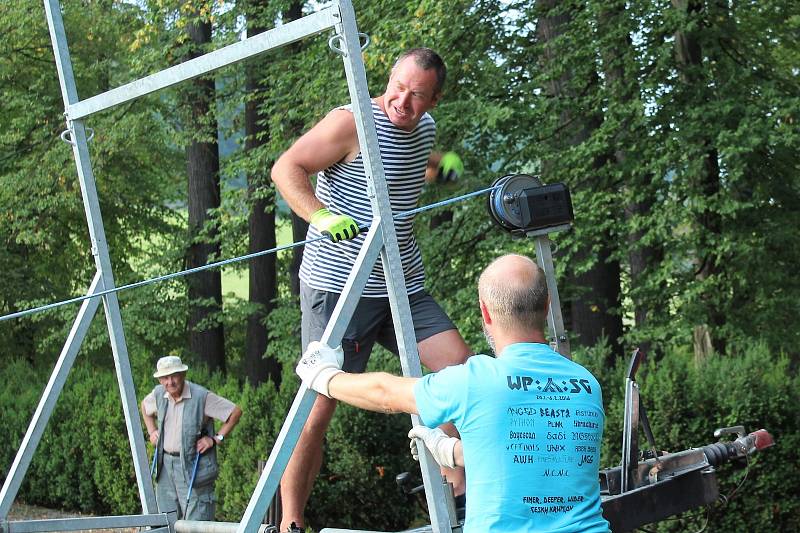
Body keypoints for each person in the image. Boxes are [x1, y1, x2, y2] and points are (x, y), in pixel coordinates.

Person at [271, 47, 471, 532]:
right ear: (388, 79)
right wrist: (319, 214)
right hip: (339, 288)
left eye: (417, 95)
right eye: (397, 87)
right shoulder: (351, 122)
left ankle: (458, 499)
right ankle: (289, 522)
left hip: (401, 285)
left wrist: (443, 167)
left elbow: (412, 163)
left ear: (434, 99)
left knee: (460, 374)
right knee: (317, 408)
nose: (402, 100)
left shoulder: (424, 130)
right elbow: (286, 168)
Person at [296, 254, 611, 533]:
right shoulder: (586, 384)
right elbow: (541, 453)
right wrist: (456, 451)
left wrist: (323, 376)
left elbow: (386, 393)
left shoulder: (476, 381)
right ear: (546, 306)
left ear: (485, 313)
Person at [140, 356, 243, 521]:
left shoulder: (201, 396)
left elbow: (235, 412)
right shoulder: (159, 394)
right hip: (165, 466)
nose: (170, 382)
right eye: (165, 378)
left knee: (196, 521)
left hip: (193, 465)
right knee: (165, 521)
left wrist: (216, 438)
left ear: (183, 374)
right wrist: (152, 432)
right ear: (160, 380)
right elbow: (144, 407)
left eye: (174, 376)